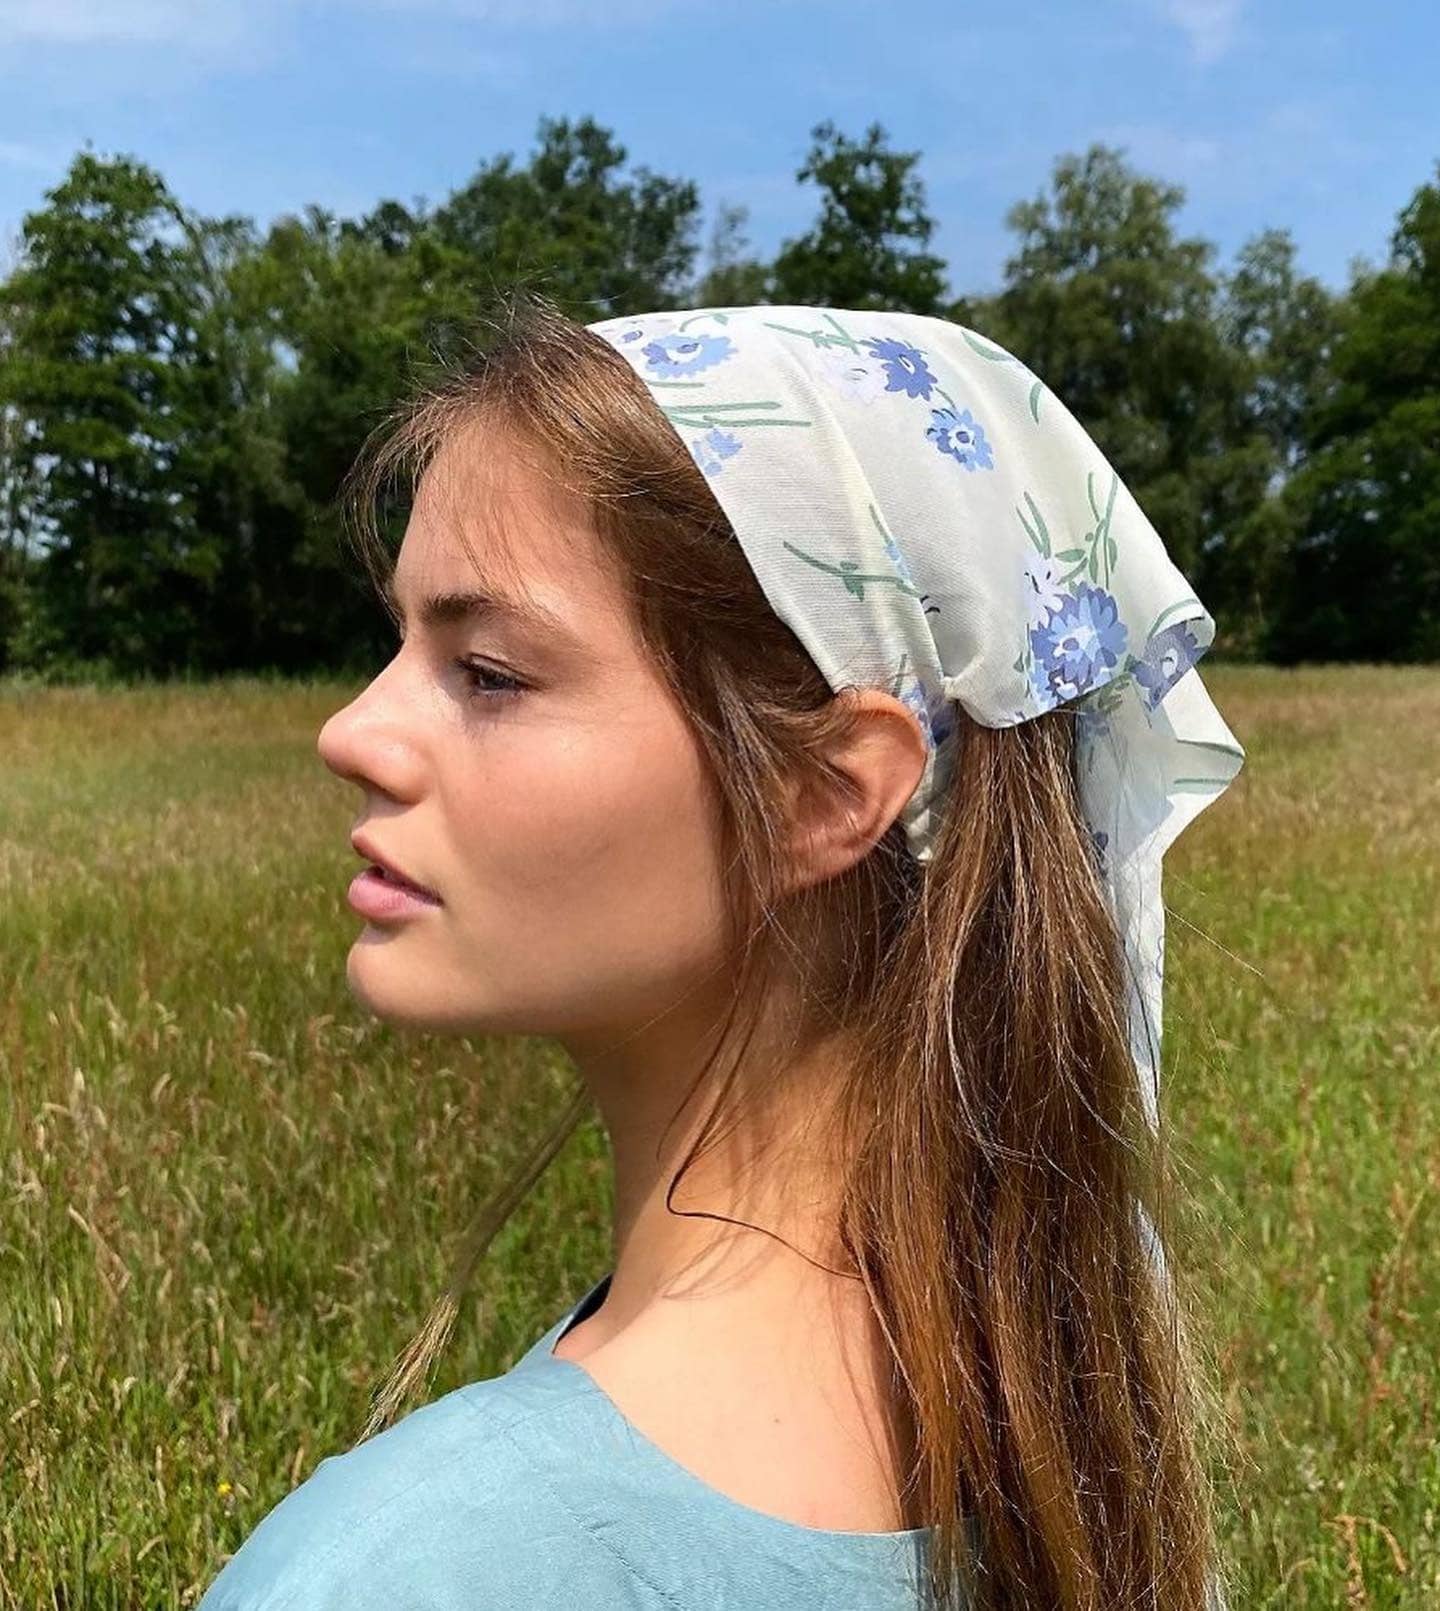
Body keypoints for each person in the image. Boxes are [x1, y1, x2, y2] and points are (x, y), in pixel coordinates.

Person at [198, 292, 1244, 1611]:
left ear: (827, 796)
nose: (352, 732)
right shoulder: (1081, 1451)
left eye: (490, 670)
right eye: (398, 642)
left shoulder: (411, 1569)